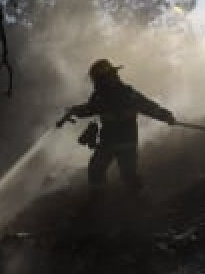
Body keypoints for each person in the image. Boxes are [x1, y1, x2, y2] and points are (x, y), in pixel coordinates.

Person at [59, 59, 176, 196]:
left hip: (126, 143)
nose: (97, 83)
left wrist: (165, 115)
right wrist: (74, 111)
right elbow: (90, 109)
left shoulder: (127, 94)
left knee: (128, 175)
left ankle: (139, 200)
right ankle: (101, 198)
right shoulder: (101, 96)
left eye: (98, 80)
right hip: (108, 141)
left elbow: (148, 107)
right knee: (96, 170)